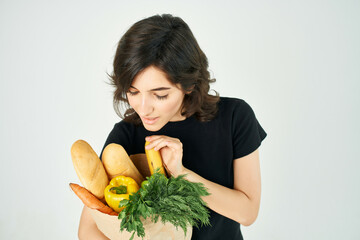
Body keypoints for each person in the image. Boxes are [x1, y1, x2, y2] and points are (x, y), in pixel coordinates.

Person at [78, 14, 267, 240]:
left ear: (189, 84)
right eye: (133, 92)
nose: (144, 108)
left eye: (160, 95)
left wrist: (182, 174)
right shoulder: (125, 137)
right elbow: (88, 230)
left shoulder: (235, 117)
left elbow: (248, 212)